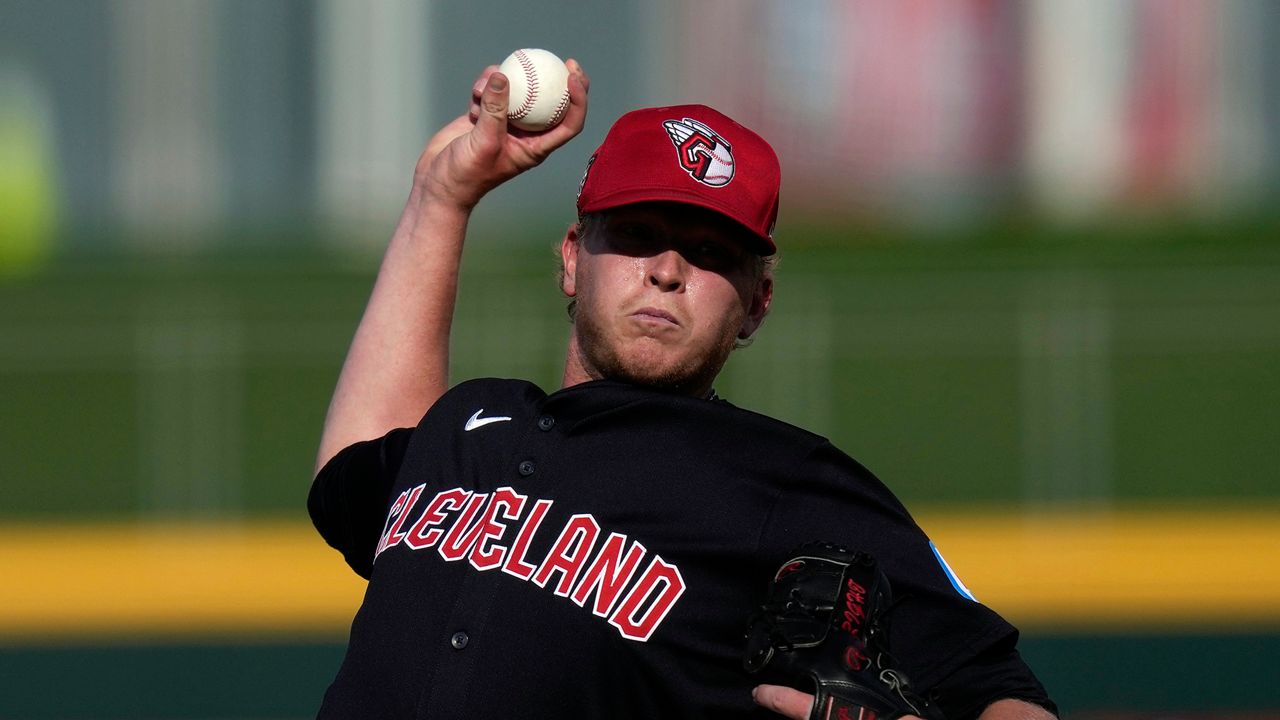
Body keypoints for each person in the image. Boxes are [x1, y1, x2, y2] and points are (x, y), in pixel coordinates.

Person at [308, 59, 1058, 720]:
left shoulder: (782, 480)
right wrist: (440, 200)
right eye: (636, 234)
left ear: (755, 306)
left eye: (708, 252)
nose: (666, 270)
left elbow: (996, 682)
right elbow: (352, 475)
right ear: (574, 259)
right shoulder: (473, 421)